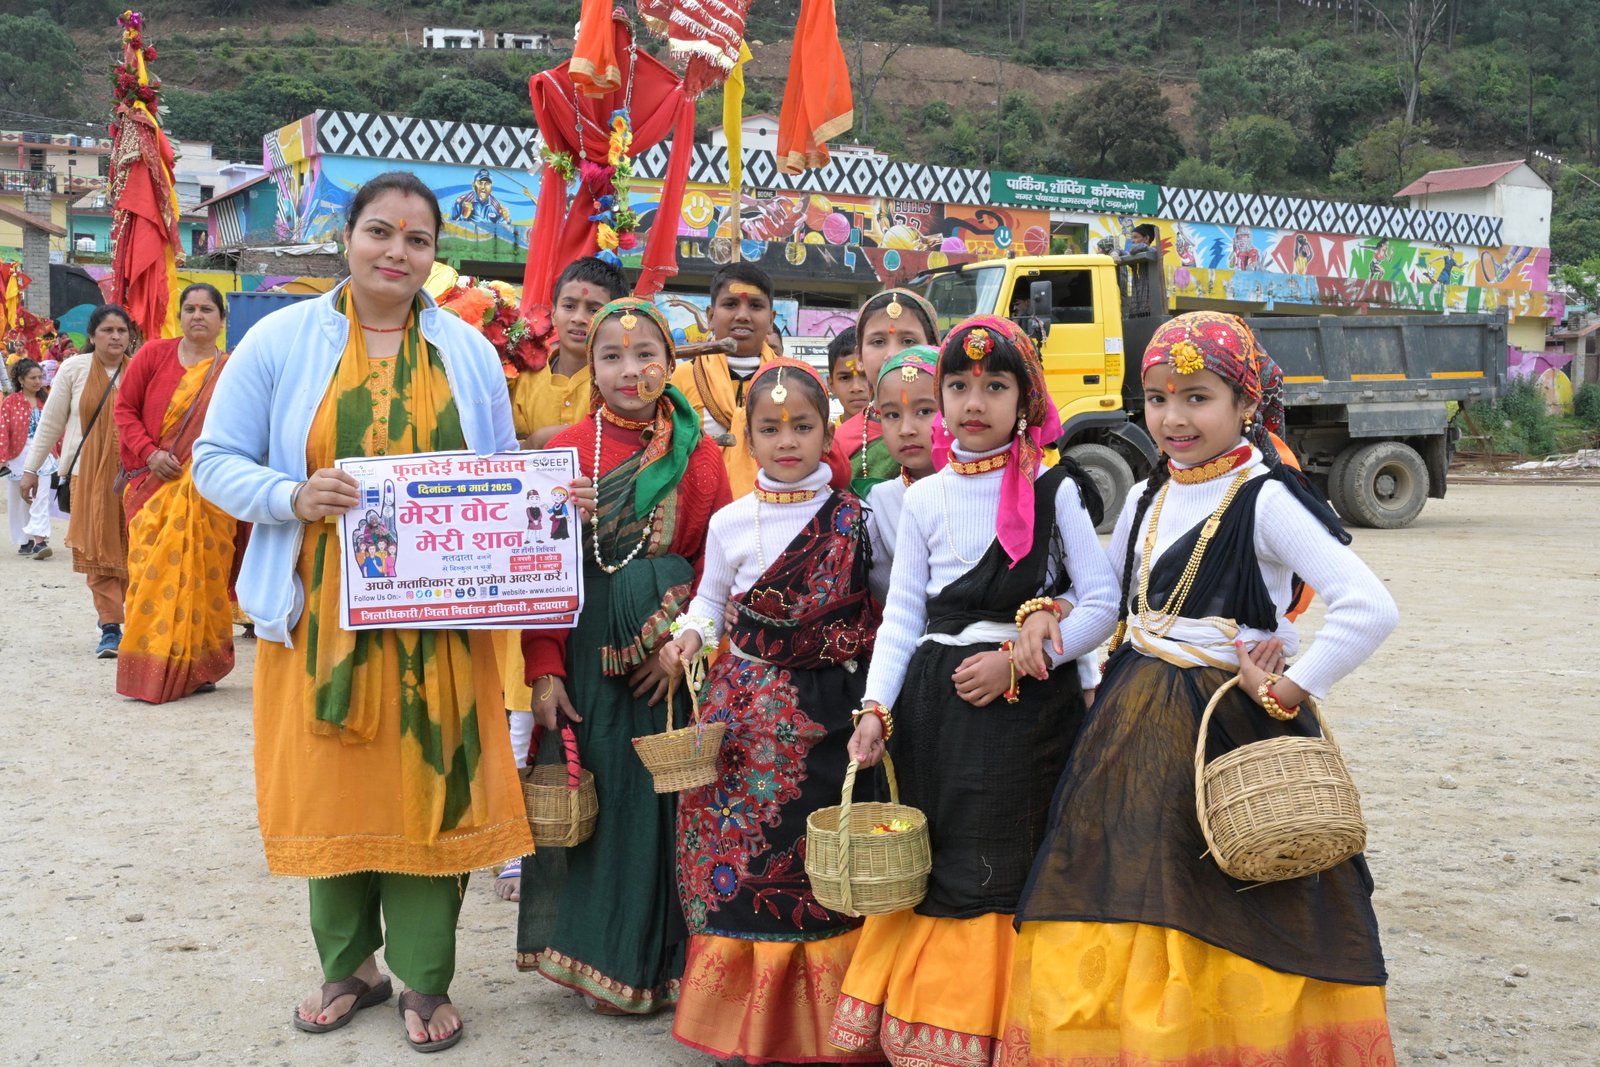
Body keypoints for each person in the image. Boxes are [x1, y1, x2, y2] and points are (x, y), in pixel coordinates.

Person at [191, 172, 546, 1052]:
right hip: (321, 617)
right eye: (380, 231)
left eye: (417, 240)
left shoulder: (468, 351)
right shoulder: (280, 340)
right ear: (346, 238)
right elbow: (214, 459)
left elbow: (500, 472)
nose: (397, 251)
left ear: (435, 256)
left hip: (440, 622)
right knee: (335, 788)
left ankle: (425, 975)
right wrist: (290, 494)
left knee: (432, 787)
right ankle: (349, 965)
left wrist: (543, 504)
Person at [998, 312, 1401, 1065]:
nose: (1173, 418)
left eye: (1197, 397)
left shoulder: (1267, 497)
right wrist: (1046, 626)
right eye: (1156, 399)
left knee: (1228, 894)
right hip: (1131, 723)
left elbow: (1369, 607)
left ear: (1246, 403)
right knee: (1128, 886)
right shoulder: (1150, 495)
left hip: (1226, 726)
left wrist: (1292, 689)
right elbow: (1111, 607)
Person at [831, 318, 1120, 1066]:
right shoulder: (925, 499)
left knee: (1008, 859)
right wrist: (875, 709)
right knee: (943, 859)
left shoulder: (1055, 488)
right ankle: (936, 1029)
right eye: (957, 386)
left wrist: (1023, 662)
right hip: (933, 712)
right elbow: (903, 617)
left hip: (1028, 714)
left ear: (1026, 399)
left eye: (995, 385)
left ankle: (1010, 1032)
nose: (974, 402)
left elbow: (1100, 603)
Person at [659, 358, 881, 1065]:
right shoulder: (730, 521)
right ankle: (747, 1026)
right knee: (744, 866)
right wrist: (689, 636)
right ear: (748, 437)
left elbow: (885, 605)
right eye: (771, 428)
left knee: (827, 868)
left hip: (834, 715)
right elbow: (709, 602)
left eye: (803, 426)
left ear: (827, 432)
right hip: (745, 725)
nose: (788, 441)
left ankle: (833, 1027)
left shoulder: (858, 520)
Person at [517, 297, 731, 1011]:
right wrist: (544, 669)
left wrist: (680, 645)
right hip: (585, 657)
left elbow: (718, 563)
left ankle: (671, 965)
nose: (629, 369)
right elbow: (538, 572)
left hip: (672, 663)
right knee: (603, 802)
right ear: (591, 365)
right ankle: (602, 958)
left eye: (646, 355)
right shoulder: (565, 451)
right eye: (611, 356)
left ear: (671, 363)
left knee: (667, 808)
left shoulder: (701, 455)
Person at [496, 255, 629, 903]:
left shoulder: (620, 379)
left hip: (599, 562)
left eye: (594, 308)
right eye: (570, 305)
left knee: (580, 706)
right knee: (521, 706)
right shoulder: (521, 377)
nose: (579, 318)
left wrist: (541, 443)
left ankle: (572, 833)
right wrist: (550, 440)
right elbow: (497, 452)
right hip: (527, 558)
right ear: (550, 310)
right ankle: (514, 842)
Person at [112, 283, 239, 703]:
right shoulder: (153, 355)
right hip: (153, 487)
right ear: (180, 316)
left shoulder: (233, 369)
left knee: (206, 578)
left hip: (211, 493)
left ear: (222, 320)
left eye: (207, 309)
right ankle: (149, 668)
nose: (197, 315)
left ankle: (200, 669)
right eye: (190, 308)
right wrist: (150, 454)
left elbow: (248, 427)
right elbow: (124, 410)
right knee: (149, 577)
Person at [20, 305, 134, 658]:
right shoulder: (74, 369)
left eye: (122, 330)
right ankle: (111, 626)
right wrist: (30, 469)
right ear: (92, 336)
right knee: (98, 550)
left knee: (134, 550)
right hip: (86, 475)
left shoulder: (139, 369)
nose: (115, 336)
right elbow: (52, 422)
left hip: (132, 478)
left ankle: (126, 616)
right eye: (107, 330)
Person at [669, 262, 782, 496]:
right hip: (698, 506)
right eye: (730, 304)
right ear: (710, 316)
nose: (742, 316)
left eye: (755, 305)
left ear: (771, 319)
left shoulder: (790, 381)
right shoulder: (681, 379)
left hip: (774, 507)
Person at [836, 289, 940, 491]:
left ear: (934, 348)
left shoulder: (958, 428)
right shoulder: (842, 442)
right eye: (878, 342)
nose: (892, 354)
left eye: (908, 341)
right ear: (859, 357)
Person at [860, 344, 939, 605]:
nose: (906, 429)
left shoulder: (988, 488)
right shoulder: (876, 503)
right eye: (892, 415)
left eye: (925, 411)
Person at [2, 358, 56, 558]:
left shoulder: (48, 400)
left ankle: (40, 540)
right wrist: (2, 456)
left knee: (40, 497)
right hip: (18, 455)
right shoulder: (10, 402)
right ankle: (24, 539)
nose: (38, 381)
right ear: (21, 380)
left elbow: (58, 427)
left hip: (44, 454)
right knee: (20, 499)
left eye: (40, 377)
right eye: (33, 378)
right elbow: (3, 430)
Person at [1113, 223, 1162, 319]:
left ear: (1146, 238)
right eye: (1132, 237)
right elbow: (1122, 251)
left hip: (1150, 308)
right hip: (1137, 308)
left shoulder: (1154, 251)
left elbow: (1132, 249)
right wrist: (1115, 253)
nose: (1133, 240)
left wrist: (1143, 246)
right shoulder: (1136, 254)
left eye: (1136, 237)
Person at [826, 325, 871, 424]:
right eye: (845, 378)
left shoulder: (899, 432)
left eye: (866, 375)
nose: (856, 388)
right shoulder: (827, 433)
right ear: (831, 384)